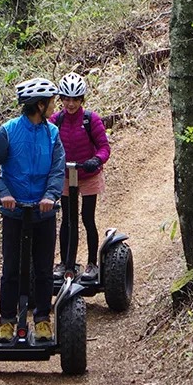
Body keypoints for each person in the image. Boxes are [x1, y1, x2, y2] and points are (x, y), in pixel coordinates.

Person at [0, 77, 65, 343]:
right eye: (51, 102)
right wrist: (4, 193)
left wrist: (50, 195)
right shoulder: (8, 132)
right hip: (15, 213)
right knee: (11, 268)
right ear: (39, 105)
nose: (54, 106)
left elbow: (57, 168)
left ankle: (41, 319)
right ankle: (6, 321)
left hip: (44, 212)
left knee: (43, 268)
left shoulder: (52, 134)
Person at [52, 72, 111, 282]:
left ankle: (92, 263)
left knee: (87, 217)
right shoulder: (56, 120)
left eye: (75, 99)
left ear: (81, 99)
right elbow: (46, 143)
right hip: (66, 175)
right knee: (67, 220)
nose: (70, 104)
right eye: (66, 99)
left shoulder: (90, 120)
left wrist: (96, 159)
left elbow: (104, 147)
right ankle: (65, 264)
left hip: (87, 175)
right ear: (61, 99)